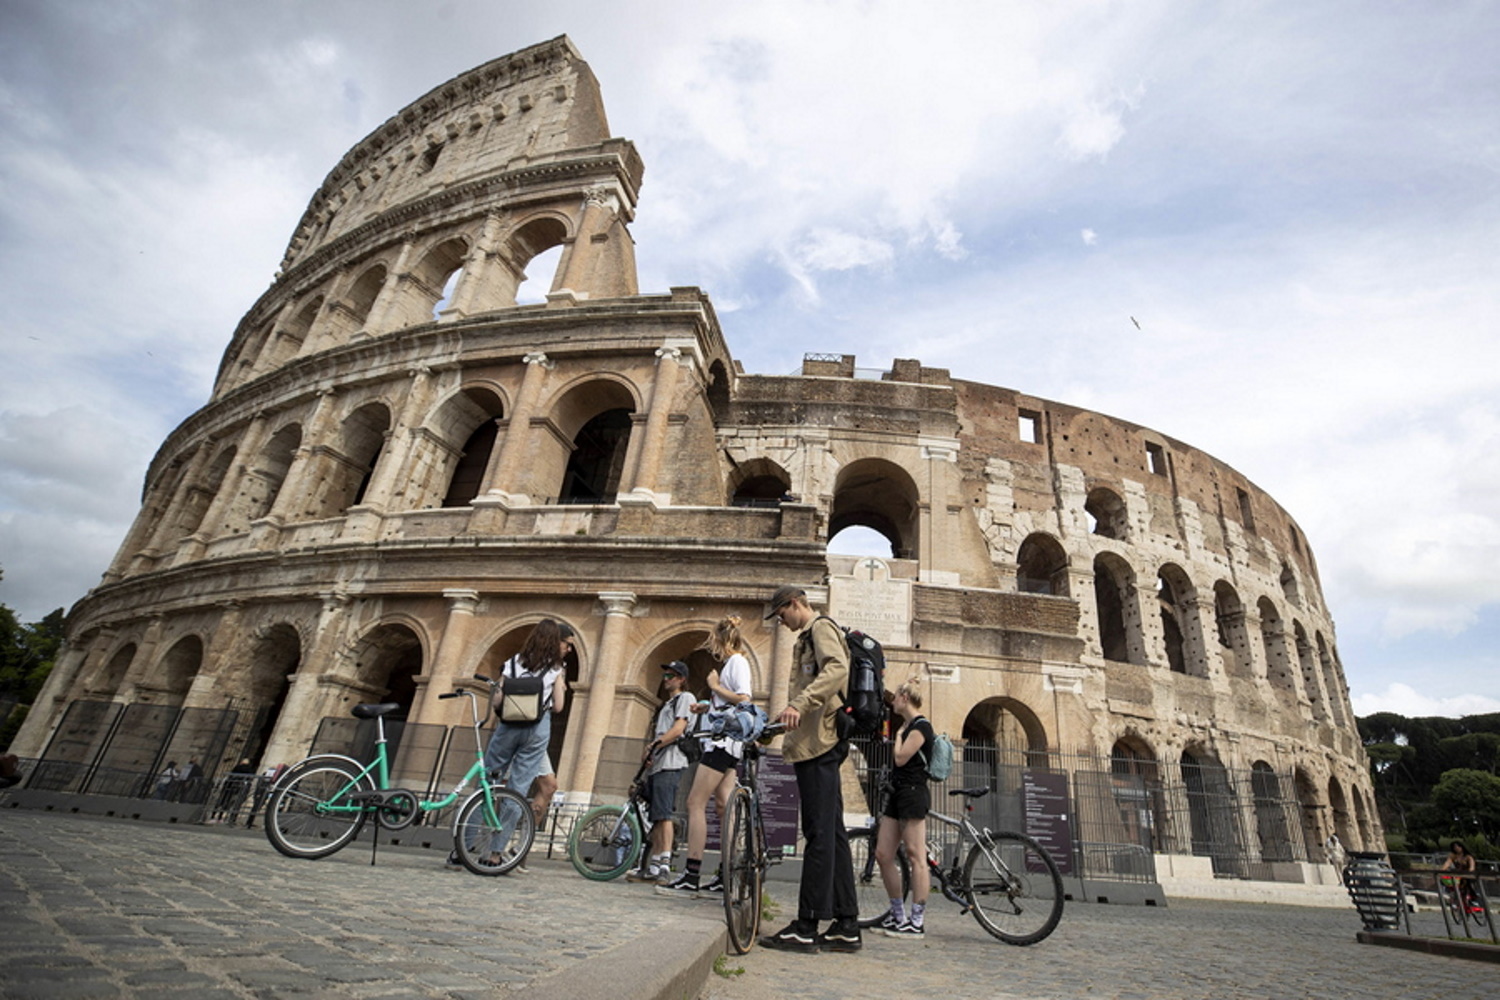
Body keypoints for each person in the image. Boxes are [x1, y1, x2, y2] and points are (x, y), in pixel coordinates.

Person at [761, 585, 860, 953]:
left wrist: (799, 704)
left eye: (781, 615)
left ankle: (806, 925)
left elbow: (837, 668)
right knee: (833, 835)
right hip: (816, 742)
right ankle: (846, 925)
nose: (781, 623)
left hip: (820, 745)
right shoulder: (809, 636)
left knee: (819, 834)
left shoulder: (820, 628)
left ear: (794, 604)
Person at [658, 617, 754, 896]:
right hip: (729, 743)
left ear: (720, 640)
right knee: (724, 805)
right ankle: (726, 875)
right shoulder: (734, 664)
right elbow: (728, 703)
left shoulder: (736, 662)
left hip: (722, 744)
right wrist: (706, 706)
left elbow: (744, 699)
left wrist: (713, 686)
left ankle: (691, 873)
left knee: (695, 802)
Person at [477, 618, 572, 868]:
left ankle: (466, 847)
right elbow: (560, 706)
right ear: (555, 642)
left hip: (508, 725)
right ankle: (497, 853)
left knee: (486, 783)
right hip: (536, 727)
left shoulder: (512, 663)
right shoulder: (555, 669)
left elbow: (497, 700)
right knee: (517, 791)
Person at [875, 681, 933, 938]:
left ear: (905, 697)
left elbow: (900, 757)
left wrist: (898, 736)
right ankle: (897, 914)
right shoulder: (911, 726)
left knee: (915, 854)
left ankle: (917, 920)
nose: (893, 701)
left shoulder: (921, 726)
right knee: (883, 853)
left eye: (896, 697)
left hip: (913, 793)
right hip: (898, 793)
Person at [627, 660, 694, 883]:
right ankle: (653, 866)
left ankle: (664, 865)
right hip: (659, 764)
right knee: (656, 816)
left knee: (664, 815)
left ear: (681, 679)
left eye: (671, 676)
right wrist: (651, 754)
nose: (666, 679)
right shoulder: (667, 704)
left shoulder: (685, 698)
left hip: (672, 763)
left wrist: (654, 745)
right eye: (665, 675)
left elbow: (678, 729)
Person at [1440, 840, 1479, 911]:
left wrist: (1469, 873)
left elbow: (1472, 867)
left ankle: (1473, 899)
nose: (1456, 849)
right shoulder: (1453, 856)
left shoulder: (1468, 857)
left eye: (1457, 847)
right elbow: (1447, 864)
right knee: (1450, 883)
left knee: (1467, 884)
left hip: (1468, 875)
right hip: (1458, 875)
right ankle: (1455, 900)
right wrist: (1442, 871)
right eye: (1454, 847)